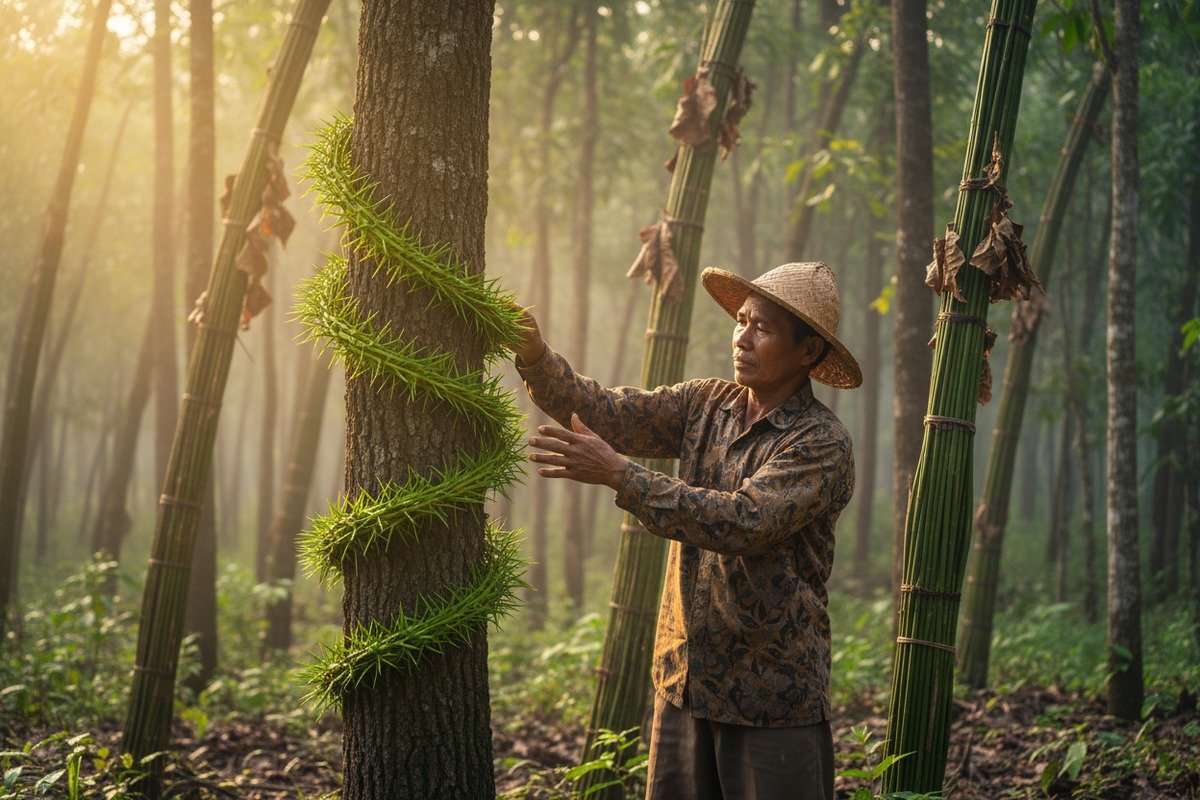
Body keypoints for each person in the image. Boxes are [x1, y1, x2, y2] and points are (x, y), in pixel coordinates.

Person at [510, 261, 861, 800]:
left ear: (808, 352)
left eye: (762, 328)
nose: (741, 337)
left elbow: (744, 521)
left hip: (768, 698)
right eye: (740, 320)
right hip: (685, 682)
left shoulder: (821, 442)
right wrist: (536, 357)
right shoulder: (706, 403)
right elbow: (611, 414)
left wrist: (622, 477)